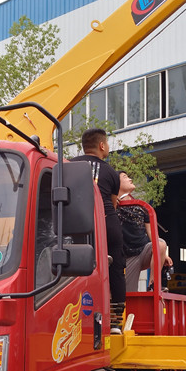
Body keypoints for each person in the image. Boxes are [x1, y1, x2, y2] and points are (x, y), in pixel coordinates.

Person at [71, 128, 125, 333]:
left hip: (76, 224)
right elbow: (112, 203)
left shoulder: (68, 166)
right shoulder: (111, 172)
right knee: (116, 267)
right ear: (102, 146)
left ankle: (75, 316)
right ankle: (116, 322)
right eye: (107, 144)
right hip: (106, 223)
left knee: (75, 269)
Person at [116, 171, 172, 292]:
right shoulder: (110, 205)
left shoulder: (141, 207)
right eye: (125, 177)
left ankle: (153, 284)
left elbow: (152, 233)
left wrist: (163, 254)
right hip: (126, 257)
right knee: (128, 296)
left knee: (160, 244)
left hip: (142, 251)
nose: (130, 179)